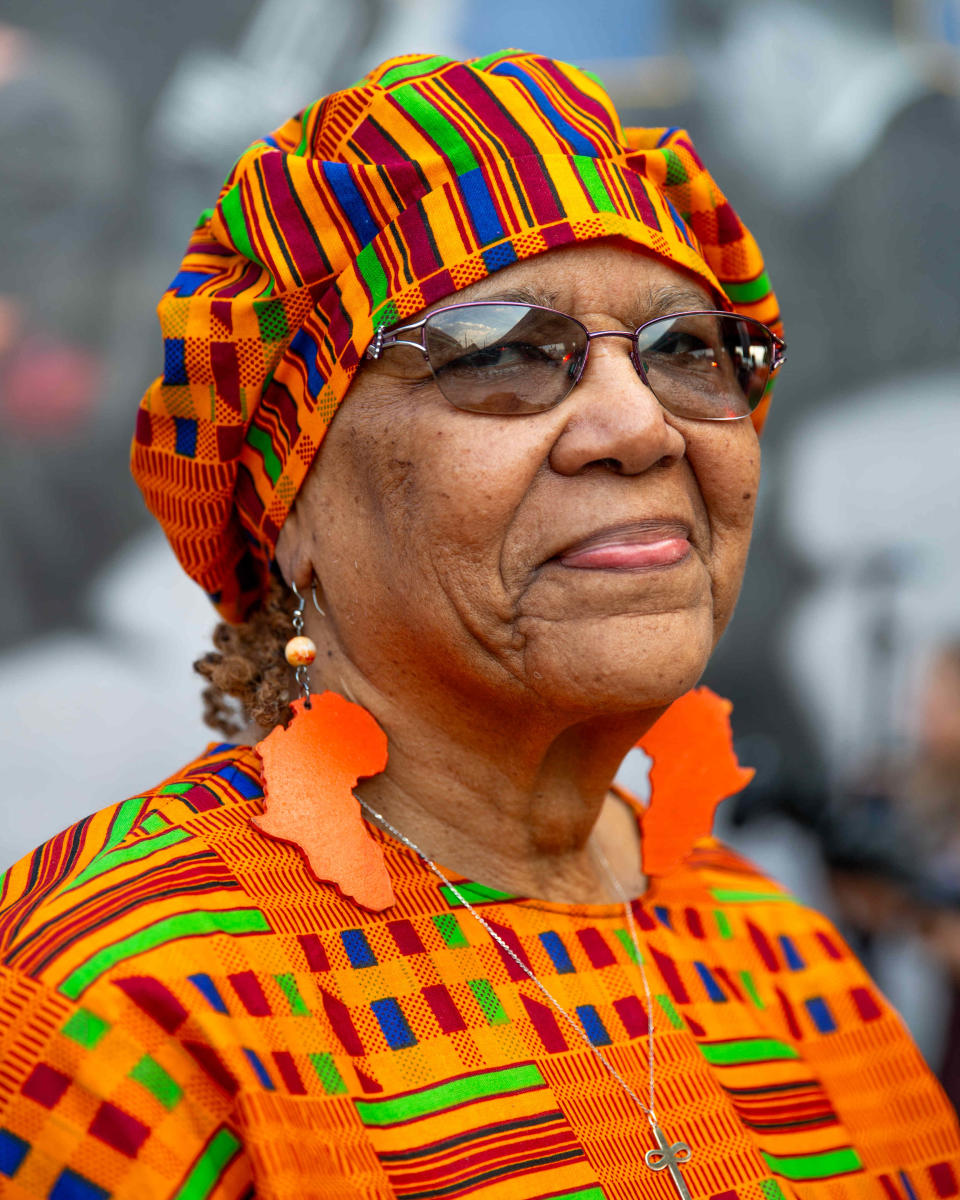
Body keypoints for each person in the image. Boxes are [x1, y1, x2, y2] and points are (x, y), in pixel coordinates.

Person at [0, 49, 956, 1200]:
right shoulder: (124, 1006)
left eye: (690, 350)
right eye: (504, 354)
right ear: (290, 505)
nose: (640, 426)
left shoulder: (789, 971)